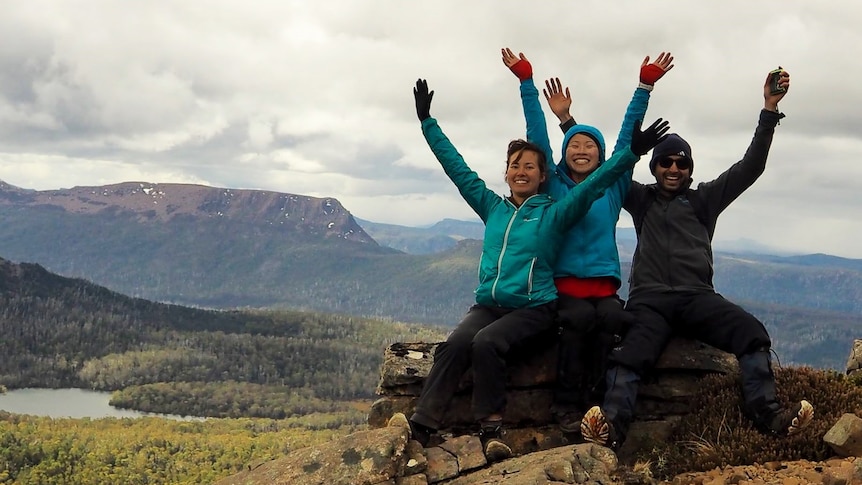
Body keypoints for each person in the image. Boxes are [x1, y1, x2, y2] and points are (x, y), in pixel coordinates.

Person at [388, 78, 669, 462]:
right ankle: (422, 423)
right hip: (488, 304)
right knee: (454, 345)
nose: (521, 171)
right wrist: (427, 123)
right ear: (506, 174)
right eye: (515, 166)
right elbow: (457, 169)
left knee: (487, 343)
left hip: (534, 307)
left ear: (543, 176)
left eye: (530, 167)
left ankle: (491, 429)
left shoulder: (553, 213)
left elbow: (592, 187)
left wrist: (628, 155)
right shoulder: (492, 207)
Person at [573, 67, 815, 450]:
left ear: (689, 169)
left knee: (751, 333)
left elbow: (750, 167)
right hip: (650, 300)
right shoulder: (640, 198)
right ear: (654, 167)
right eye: (665, 162)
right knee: (630, 354)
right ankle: (611, 431)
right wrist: (573, 126)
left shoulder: (705, 199)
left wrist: (769, 110)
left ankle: (769, 417)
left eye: (681, 164)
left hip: (697, 297)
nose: (673, 169)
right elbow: (604, 173)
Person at [501, 47, 674, 434]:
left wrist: (644, 86)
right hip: (561, 286)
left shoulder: (611, 188)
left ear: (601, 156)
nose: (581, 150)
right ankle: (566, 406)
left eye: (590, 146)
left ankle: (598, 405)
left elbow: (629, 138)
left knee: (613, 321)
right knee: (578, 322)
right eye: (574, 145)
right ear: (563, 155)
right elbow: (536, 135)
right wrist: (527, 83)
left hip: (602, 286)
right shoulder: (553, 188)